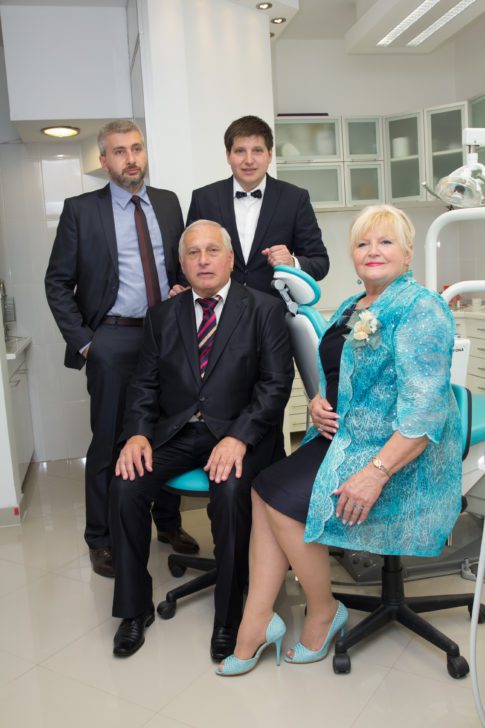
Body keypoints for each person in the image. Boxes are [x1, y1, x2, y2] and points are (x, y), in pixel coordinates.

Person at [216, 204, 462, 676]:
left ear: (408, 253)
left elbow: (425, 410)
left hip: (394, 452)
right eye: (363, 243)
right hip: (345, 437)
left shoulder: (421, 308)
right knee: (262, 489)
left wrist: (376, 473)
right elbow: (338, 372)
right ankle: (258, 620)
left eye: (385, 242)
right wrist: (316, 400)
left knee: (282, 503)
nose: (373, 251)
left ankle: (323, 610)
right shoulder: (355, 305)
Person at [109, 219, 294, 659]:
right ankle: (134, 610)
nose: (203, 260)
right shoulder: (162, 316)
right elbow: (144, 385)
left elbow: (275, 385)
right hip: (178, 432)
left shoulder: (264, 309)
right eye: (193, 253)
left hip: (238, 433)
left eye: (213, 251)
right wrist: (137, 435)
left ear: (230, 259)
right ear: (182, 263)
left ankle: (229, 618)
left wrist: (239, 438)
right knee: (125, 485)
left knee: (229, 492)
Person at [45, 120, 198, 579]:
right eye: (119, 151)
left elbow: (180, 266)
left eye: (136, 148)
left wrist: (181, 287)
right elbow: (57, 283)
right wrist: (87, 344)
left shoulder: (168, 203)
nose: (130, 159)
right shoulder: (81, 210)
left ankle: (167, 523)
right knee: (111, 441)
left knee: (167, 432)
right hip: (112, 338)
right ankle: (101, 537)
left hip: (168, 336)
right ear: (104, 160)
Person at [185, 115, 329, 296]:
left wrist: (292, 262)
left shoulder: (295, 199)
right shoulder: (204, 199)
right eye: (240, 151)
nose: (249, 160)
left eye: (257, 151)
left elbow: (320, 263)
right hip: (216, 308)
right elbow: (188, 256)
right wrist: (182, 287)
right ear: (228, 156)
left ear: (270, 155)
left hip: (274, 308)